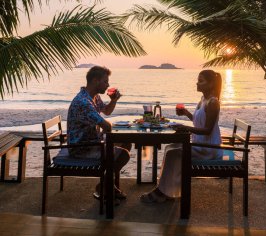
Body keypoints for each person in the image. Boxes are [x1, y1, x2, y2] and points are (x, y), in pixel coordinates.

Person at [140, 69, 223, 203]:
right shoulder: (203, 100)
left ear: (211, 84)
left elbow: (207, 130)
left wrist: (185, 128)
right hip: (199, 144)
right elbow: (198, 121)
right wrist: (186, 113)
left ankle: (162, 192)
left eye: (201, 81)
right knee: (169, 148)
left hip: (208, 148)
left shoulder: (213, 103)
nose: (197, 83)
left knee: (174, 154)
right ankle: (168, 190)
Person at [67, 65, 130, 202]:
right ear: (96, 81)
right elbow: (106, 126)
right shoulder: (84, 102)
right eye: (105, 81)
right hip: (81, 148)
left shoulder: (93, 97)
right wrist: (109, 127)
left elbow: (106, 111)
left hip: (91, 141)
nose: (108, 85)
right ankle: (105, 187)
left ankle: (107, 185)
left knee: (126, 142)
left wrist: (113, 100)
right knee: (123, 154)